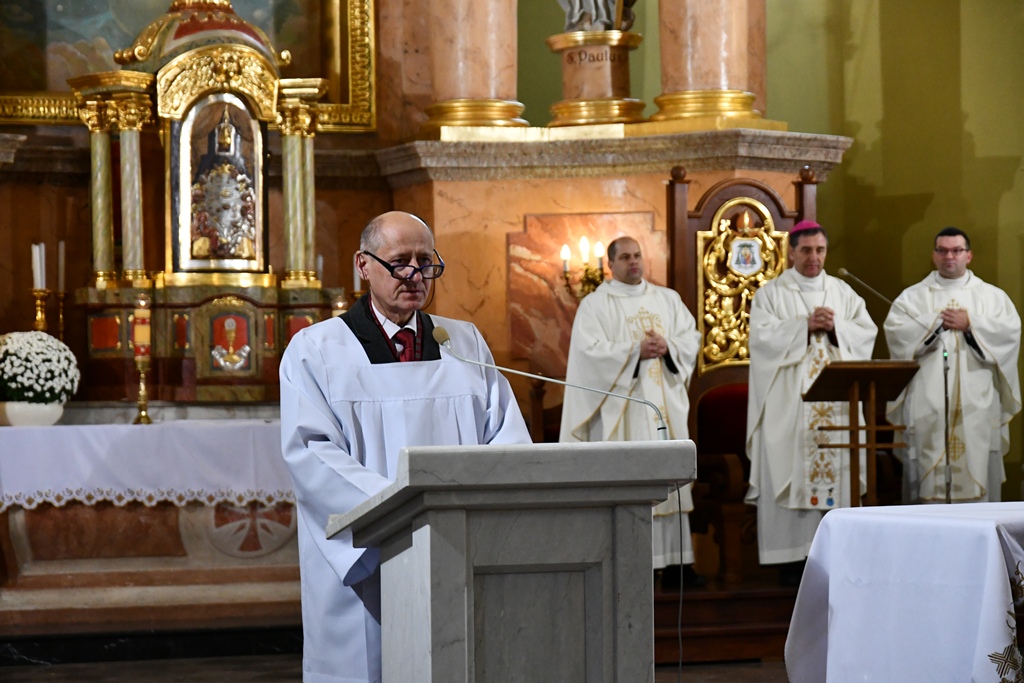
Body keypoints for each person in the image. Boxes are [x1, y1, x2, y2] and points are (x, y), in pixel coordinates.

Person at [280, 211, 531, 683]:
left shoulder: (463, 342)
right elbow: (311, 452)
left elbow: (506, 437)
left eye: (425, 261)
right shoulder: (317, 350)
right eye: (399, 262)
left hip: (459, 544)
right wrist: (404, 512)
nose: (415, 275)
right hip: (373, 551)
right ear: (363, 265)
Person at [559, 236, 702, 589]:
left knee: (669, 480)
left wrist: (668, 346)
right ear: (610, 264)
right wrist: (634, 351)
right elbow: (589, 355)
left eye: (637, 255)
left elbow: (691, 338)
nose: (634, 262)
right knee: (633, 481)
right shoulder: (595, 305)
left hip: (664, 408)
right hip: (622, 411)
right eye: (625, 257)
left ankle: (678, 565)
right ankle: (637, 567)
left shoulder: (667, 299)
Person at [744, 220, 877, 585]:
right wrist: (802, 326)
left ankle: (839, 557)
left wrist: (836, 329)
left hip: (838, 404)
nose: (813, 257)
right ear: (791, 253)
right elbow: (761, 340)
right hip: (789, 404)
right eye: (805, 250)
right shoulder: (771, 294)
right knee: (788, 467)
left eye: (820, 250)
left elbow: (866, 333)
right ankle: (791, 558)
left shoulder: (843, 292)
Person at [884, 226, 1021, 503]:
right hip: (927, 402)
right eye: (943, 251)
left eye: (957, 250)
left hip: (978, 403)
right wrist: (935, 323)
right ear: (934, 256)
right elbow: (896, 333)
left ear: (968, 255)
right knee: (926, 482)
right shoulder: (912, 297)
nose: (950, 256)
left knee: (977, 467)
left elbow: (1009, 333)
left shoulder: (993, 296)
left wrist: (972, 324)